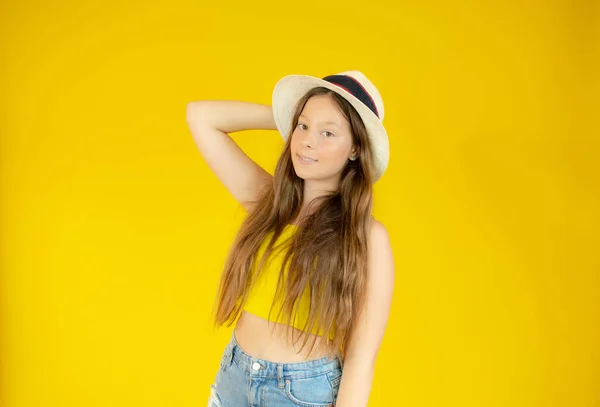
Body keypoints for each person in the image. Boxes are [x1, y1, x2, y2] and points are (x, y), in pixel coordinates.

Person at [186, 70, 395, 407]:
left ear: (356, 148)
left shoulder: (368, 236)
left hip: (300, 394)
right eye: (304, 126)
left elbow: (361, 357)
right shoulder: (268, 200)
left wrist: (305, 120)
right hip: (233, 381)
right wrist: (289, 115)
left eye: (329, 133)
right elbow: (200, 116)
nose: (309, 141)